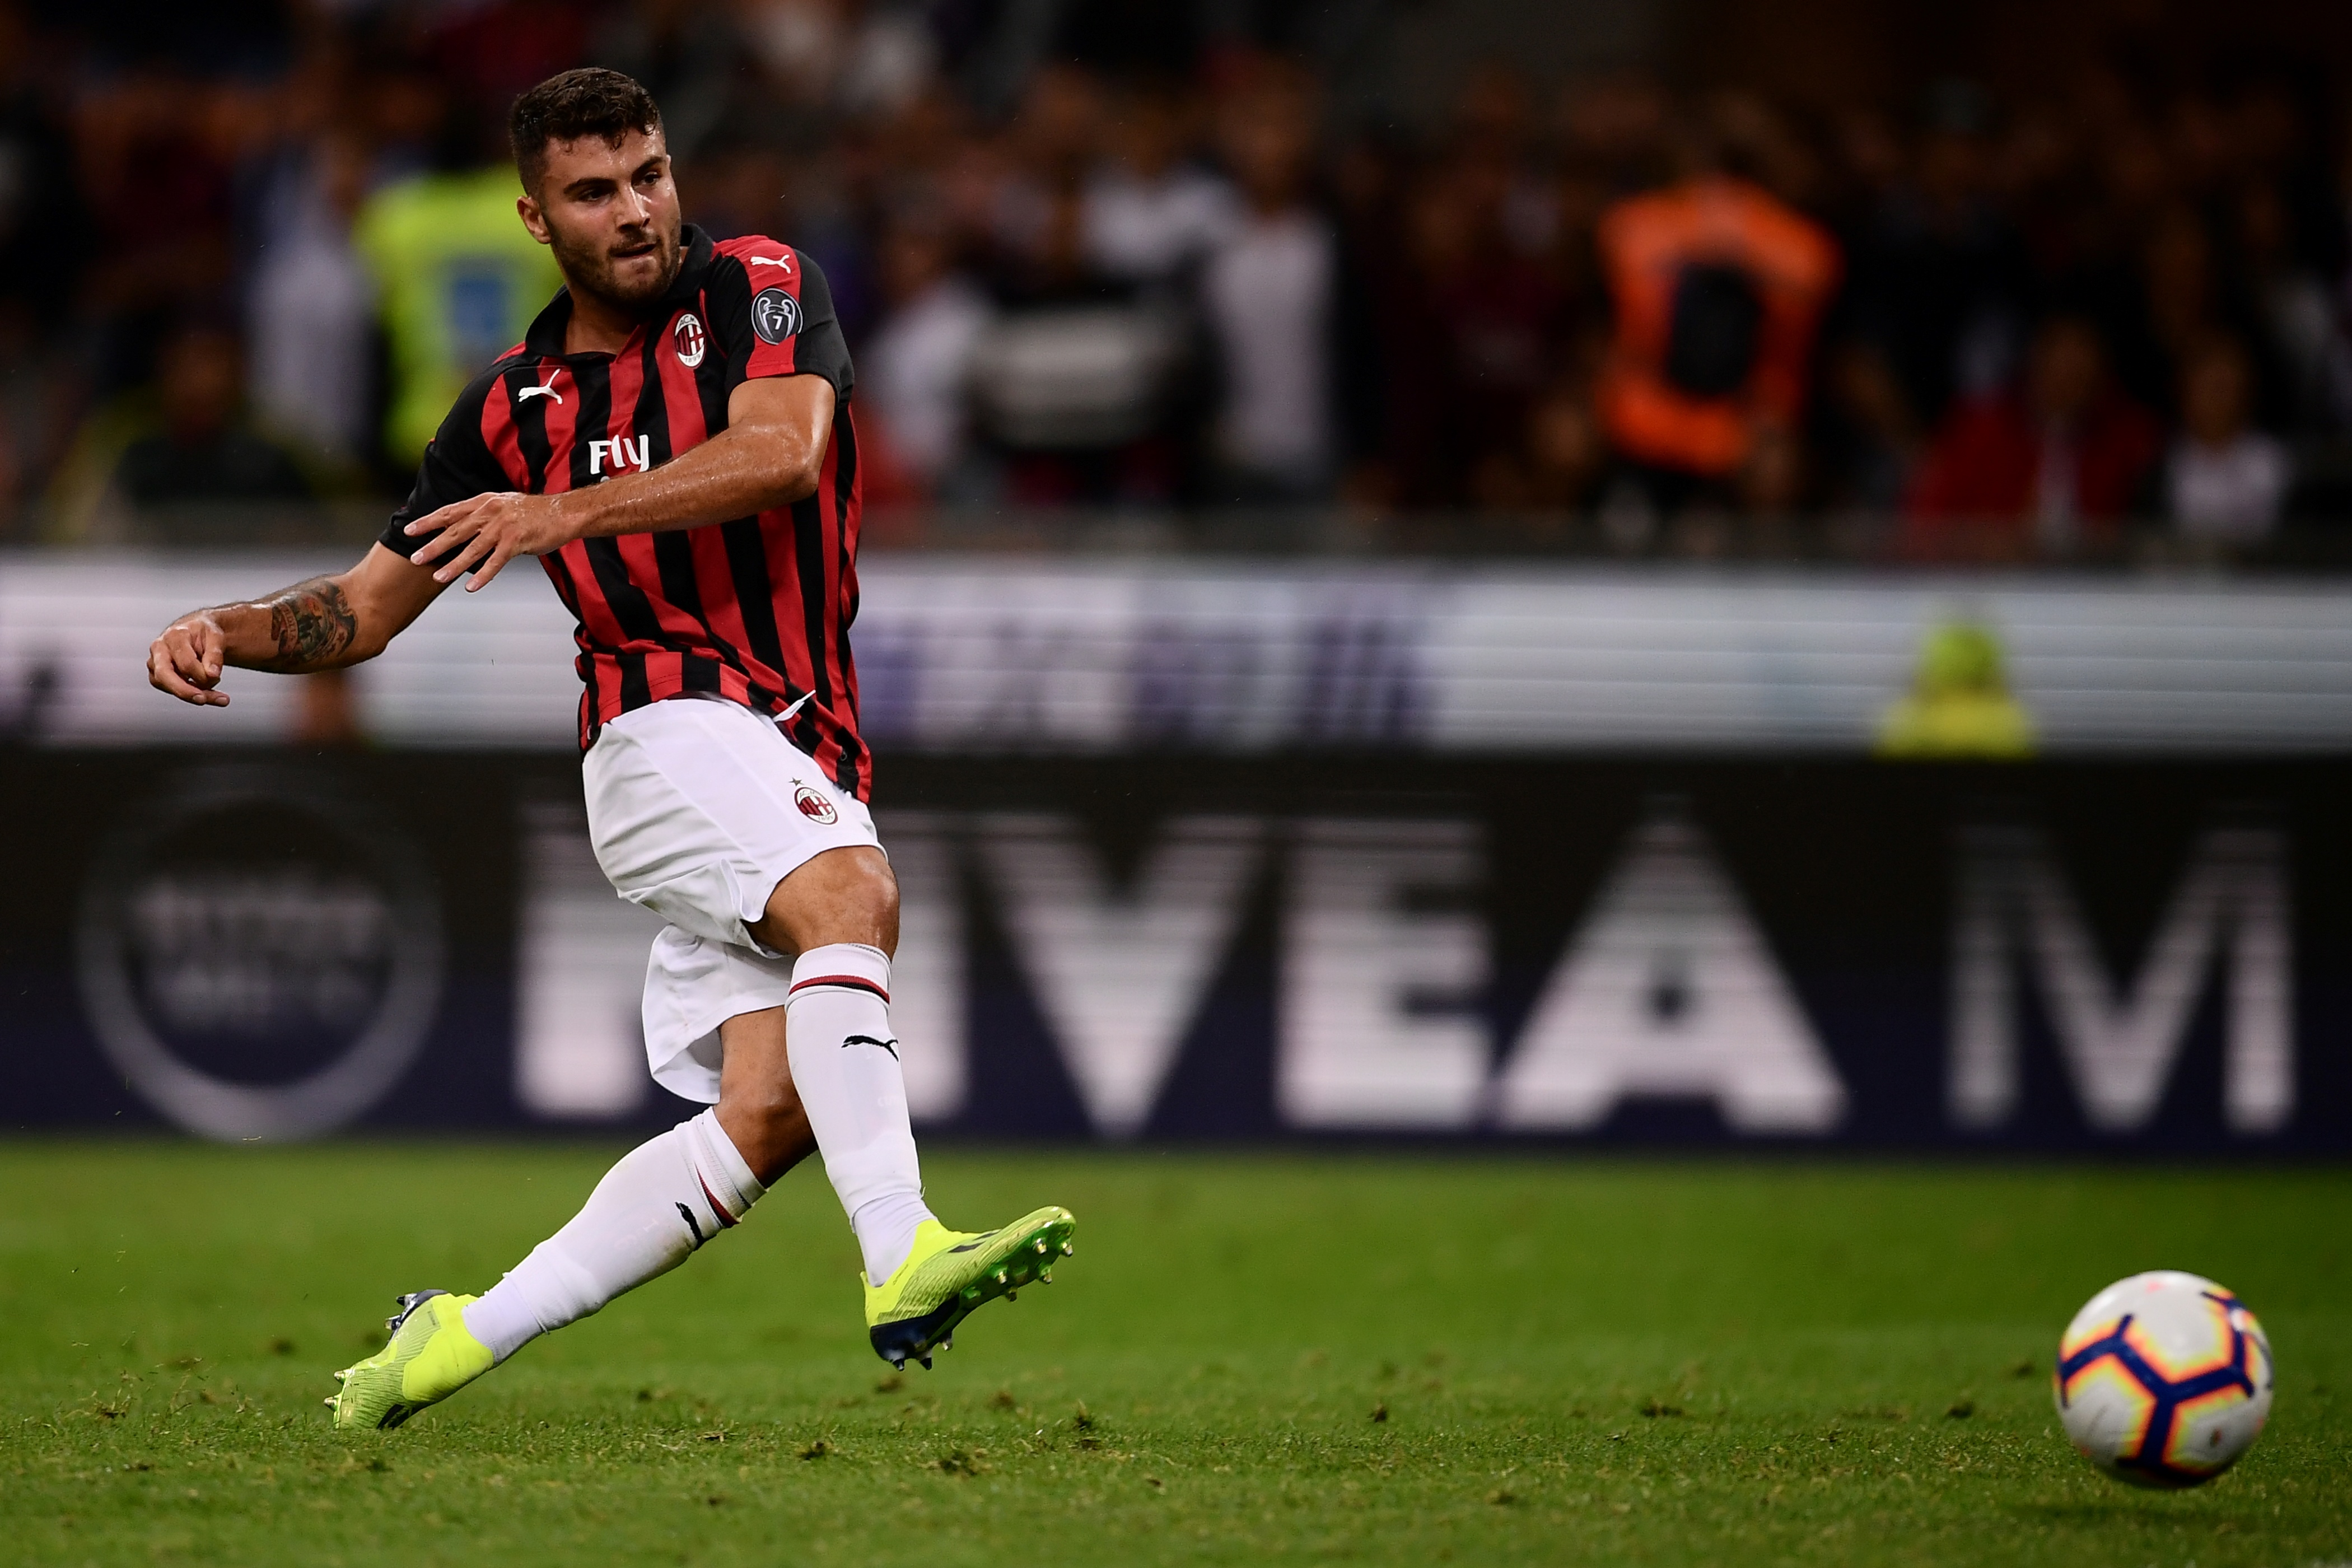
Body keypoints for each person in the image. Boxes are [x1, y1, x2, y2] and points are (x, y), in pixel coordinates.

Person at [143, 68, 1075, 1432]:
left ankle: (462, 1334)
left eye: (649, 173)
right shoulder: (505, 414)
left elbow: (788, 451)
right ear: (538, 217)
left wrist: (561, 514)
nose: (635, 210)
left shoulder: (760, 285)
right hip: (658, 731)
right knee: (852, 898)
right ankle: (904, 1256)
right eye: (595, 191)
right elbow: (363, 608)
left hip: (792, 735)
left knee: (771, 1112)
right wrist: (225, 624)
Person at [2166, 333, 2290, 545]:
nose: (2216, 400)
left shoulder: (2271, 461)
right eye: (2207, 386)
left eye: (2224, 387)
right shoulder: (2164, 463)